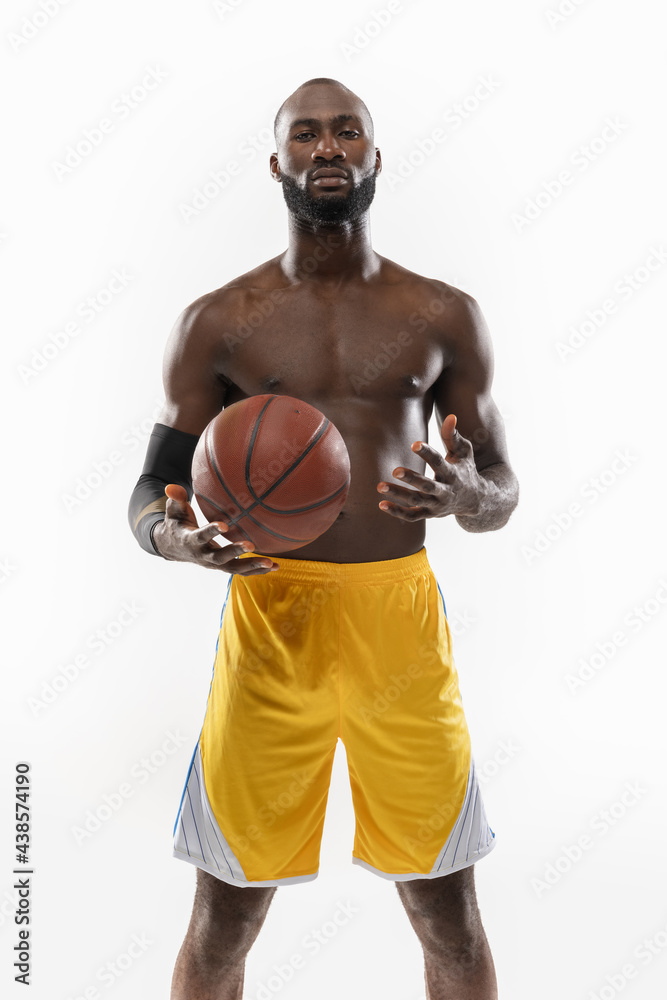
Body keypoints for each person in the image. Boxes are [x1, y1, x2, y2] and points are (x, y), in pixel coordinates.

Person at [128, 76, 519, 1000]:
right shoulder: (218, 320)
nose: (328, 147)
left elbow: (501, 487)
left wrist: (469, 492)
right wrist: (172, 539)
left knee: (449, 916)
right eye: (306, 134)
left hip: (399, 626)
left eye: (347, 131)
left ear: (376, 156)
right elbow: (151, 490)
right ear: (277, 163)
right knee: (223, 922)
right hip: (272, 619)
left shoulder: (443, 314)